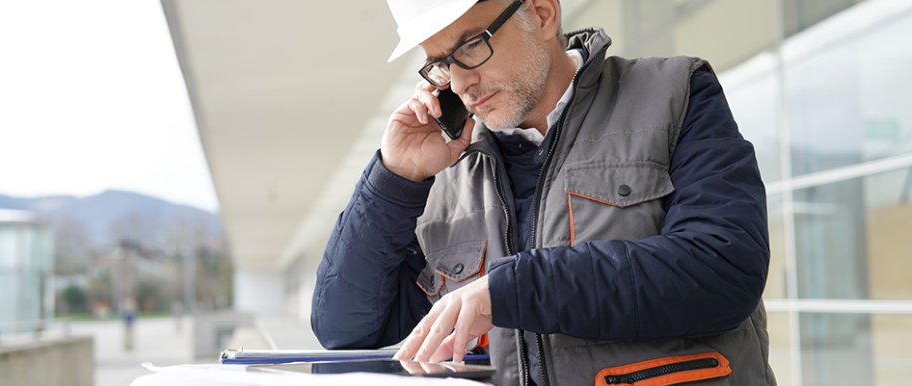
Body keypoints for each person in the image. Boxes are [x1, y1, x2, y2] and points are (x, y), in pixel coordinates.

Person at [311, 0, 776, 384]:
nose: (459, 82)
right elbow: (344, 327)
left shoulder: (675, 93)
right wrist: (395, 178)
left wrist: (512, 290)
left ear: (541, 12)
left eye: (471, 45)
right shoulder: (446, 169)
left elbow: (722, 270)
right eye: (440, 63)